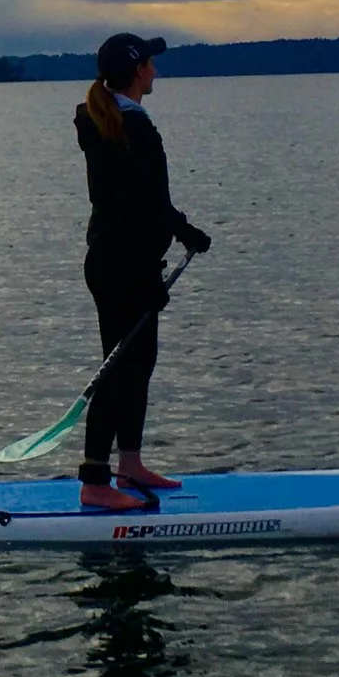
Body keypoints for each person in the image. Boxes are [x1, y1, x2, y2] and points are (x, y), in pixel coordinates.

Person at [72, 32, 214, 512]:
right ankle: (94, 480)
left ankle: (128, 464)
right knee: (118, 370)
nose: (155, 69)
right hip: (122, 264)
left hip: (123, 260)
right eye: (150, 63)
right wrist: (182, 231)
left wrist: (180, 232)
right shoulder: (130, 128)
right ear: (137, 72)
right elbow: (146, 202)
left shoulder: (114, 119)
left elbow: (145, 201)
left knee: (139, 364)